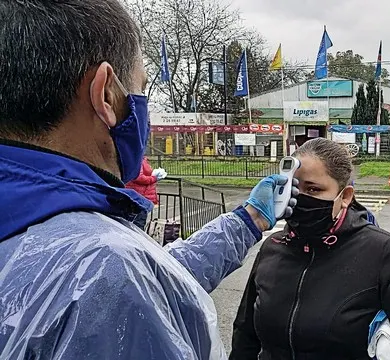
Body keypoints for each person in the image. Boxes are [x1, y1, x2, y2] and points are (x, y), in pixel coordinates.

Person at [0, 1, 297, 358]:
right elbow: (123, 286)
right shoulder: (102, 267)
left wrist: (247, 220)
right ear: (106, 94)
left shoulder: (54, 242)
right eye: (140, 91)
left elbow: (159, 282)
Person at [230, 138, 390, 360]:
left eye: (313, 189)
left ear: (345, 196)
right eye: (294, 188)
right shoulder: (272, 247)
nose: (300, 198)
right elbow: (245, 334)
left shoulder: (383, 252)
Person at [125, 156, 167, 229]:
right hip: (140, 195)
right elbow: (138, 177)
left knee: (137, 221)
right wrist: (154, 178)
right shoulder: (137, 160)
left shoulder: (141, 159)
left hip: (140, 195)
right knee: (138, 223)